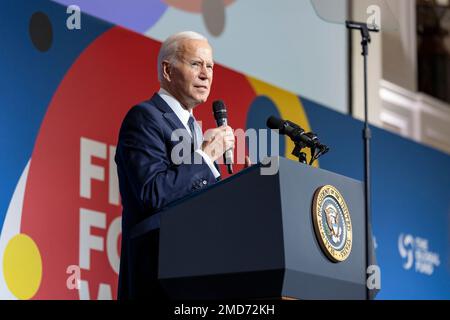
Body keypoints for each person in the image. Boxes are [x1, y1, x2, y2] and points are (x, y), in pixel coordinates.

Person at [115, 31, 249, 300]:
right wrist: (206, 158)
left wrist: (240, 188)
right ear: (167, 70)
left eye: (210, 66)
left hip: (198, 281)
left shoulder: (194, 132)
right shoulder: (145, 118)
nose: (206, 74)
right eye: (196, 64)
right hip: (157, 282)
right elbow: (152, 193)